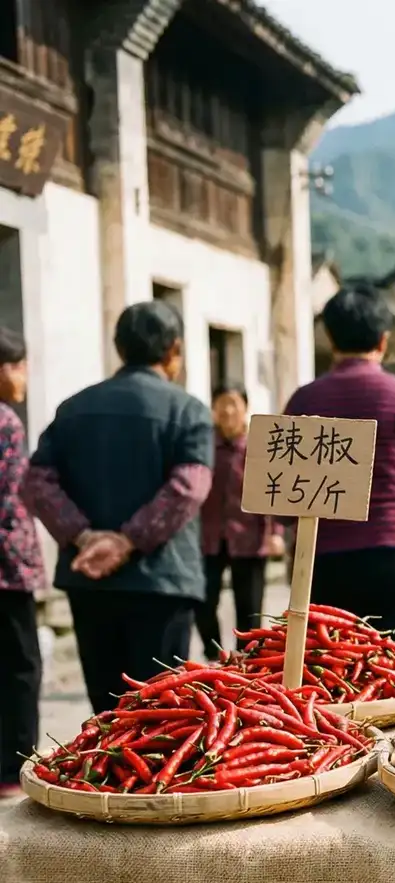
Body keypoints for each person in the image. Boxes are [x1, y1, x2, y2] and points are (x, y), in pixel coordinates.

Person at [22, 301, 213, 716]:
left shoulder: (73, 408)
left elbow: (35, 481)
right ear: (174, 350)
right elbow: (188, 488)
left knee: (107, 715)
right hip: (162, 582)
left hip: (90, 581)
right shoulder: (188, 411)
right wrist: (127, 541)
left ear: (119, 348)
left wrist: (84, 536)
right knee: (160, 714)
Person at [287, 282, 395, 654]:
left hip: (325, 560)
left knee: (332, 669)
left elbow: (285, 498)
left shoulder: (304, 400)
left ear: (330, 338)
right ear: (384, 340)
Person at [196, 386, 284, 660]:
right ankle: (214, 655)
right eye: (221, 403)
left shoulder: (259, 446)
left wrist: (276, 532)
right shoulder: (203, 446)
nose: (228, 410)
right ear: (213, 409)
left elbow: (274, 489)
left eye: (234, 403)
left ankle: (247, 660)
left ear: (245, 408)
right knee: (203, 600)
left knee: (249, 605)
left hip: (249, 536)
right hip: (208, 537)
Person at [0, 328, 41, 795]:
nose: (24, 377)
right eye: (18, 366)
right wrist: (23, 568)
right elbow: (9, 504)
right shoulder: (6, 422)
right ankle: (13, 769)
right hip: (6, 574)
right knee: (21, 667)